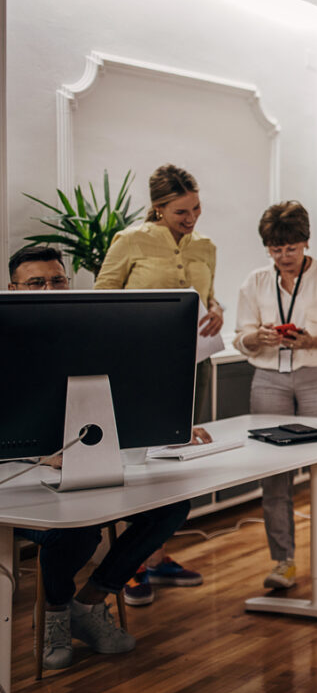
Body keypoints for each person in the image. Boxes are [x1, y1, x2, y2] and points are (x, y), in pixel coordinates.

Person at [7, 245, 197, 670]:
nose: (49, 289)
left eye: (57, 280)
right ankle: (55, 615)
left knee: (171, 506)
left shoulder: (90, 335)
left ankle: (88, 602)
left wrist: (167, 428)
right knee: (77, 529)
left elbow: (125, 397)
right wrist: (41, 456)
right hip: (17, 483)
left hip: (91, 466)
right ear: (13, 288)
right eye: (36, 283)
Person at [94, 164, 218, 604]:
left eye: (197, 208)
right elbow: (102, 297)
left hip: (191, 364)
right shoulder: (130, 241)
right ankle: (130, 565)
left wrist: (216, 308)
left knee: (177, 457)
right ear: (158, 209)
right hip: (140, 368)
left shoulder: (206, 246)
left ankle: (158, 554)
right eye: (182, 211)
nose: (192, 218)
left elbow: (206, 296)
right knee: (140, 462)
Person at [233, 200, 317, 592]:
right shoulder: (255, 281)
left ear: (305, 242)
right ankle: (282, 562)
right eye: (275, 249)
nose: (283, 257)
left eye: (290, 248)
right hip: (269, 378)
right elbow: (242, 336)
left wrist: (311, 341)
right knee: (275, 474)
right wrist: (258, 337)